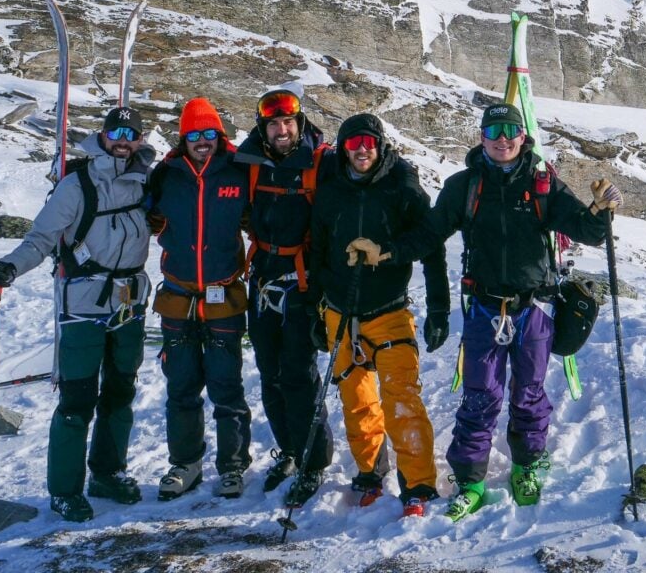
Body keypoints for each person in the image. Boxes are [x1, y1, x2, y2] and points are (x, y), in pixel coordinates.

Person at [346, 102, 622, 521]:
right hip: (484, 308)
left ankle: (528, 464)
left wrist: (600, 211)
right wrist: (385, 251)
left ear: (523, 136)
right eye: (493, 131)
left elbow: (584, 231)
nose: (502, 139)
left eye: (510, 130)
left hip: (535, 308)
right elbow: (428, 234)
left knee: (528, 394)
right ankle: (470, 479)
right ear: (481, 138)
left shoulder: (543, 184)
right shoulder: (465, 186)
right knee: (480, 395)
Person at [0, 106, 154, 522]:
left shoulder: (147, 178)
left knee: (120, 392)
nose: (123, 139)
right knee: (78, 401)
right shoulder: (77, 184)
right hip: (82, 305)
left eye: (131, 132)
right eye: (116, 130)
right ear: (103, 133)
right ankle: (64, 490)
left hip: (129, 303)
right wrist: (11, 265)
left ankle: (108, 473)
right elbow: (41, 237)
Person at [309, 113, 449, 517]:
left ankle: (418, 483)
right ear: (343, 148)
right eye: (353, 144)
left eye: (369, 142)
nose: (361, 150)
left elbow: (431, 246)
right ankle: (370, 473)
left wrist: (438, 308)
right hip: (338, 311)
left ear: (381, 145)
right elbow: (317, 253)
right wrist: (315, 312)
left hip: (388, 310)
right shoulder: (331, 190)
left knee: (401, 399)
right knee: (357, 400)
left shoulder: (402, 187)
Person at [233, 85, 335, 507]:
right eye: (274, 123)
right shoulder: (250, 161)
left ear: (300, 123)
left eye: (288, 122)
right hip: (261, 277)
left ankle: (314, 461)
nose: (281, 130)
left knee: (298, 373)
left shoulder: (319, 162)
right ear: (263, 126)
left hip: (302, 280)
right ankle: (289, 450)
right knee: (269, 372)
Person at [146, 97, 252, 501]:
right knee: (182, 386)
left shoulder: (240, 171)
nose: (203, 141)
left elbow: (259, 219)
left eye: (210, 133)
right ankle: (185, 463)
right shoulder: (166, 176)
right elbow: (145, 215)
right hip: (177, 295)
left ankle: (233, 466)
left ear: (219, 136)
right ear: (183, 138)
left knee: (227, 386)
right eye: (195, 135)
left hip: (224, 295)